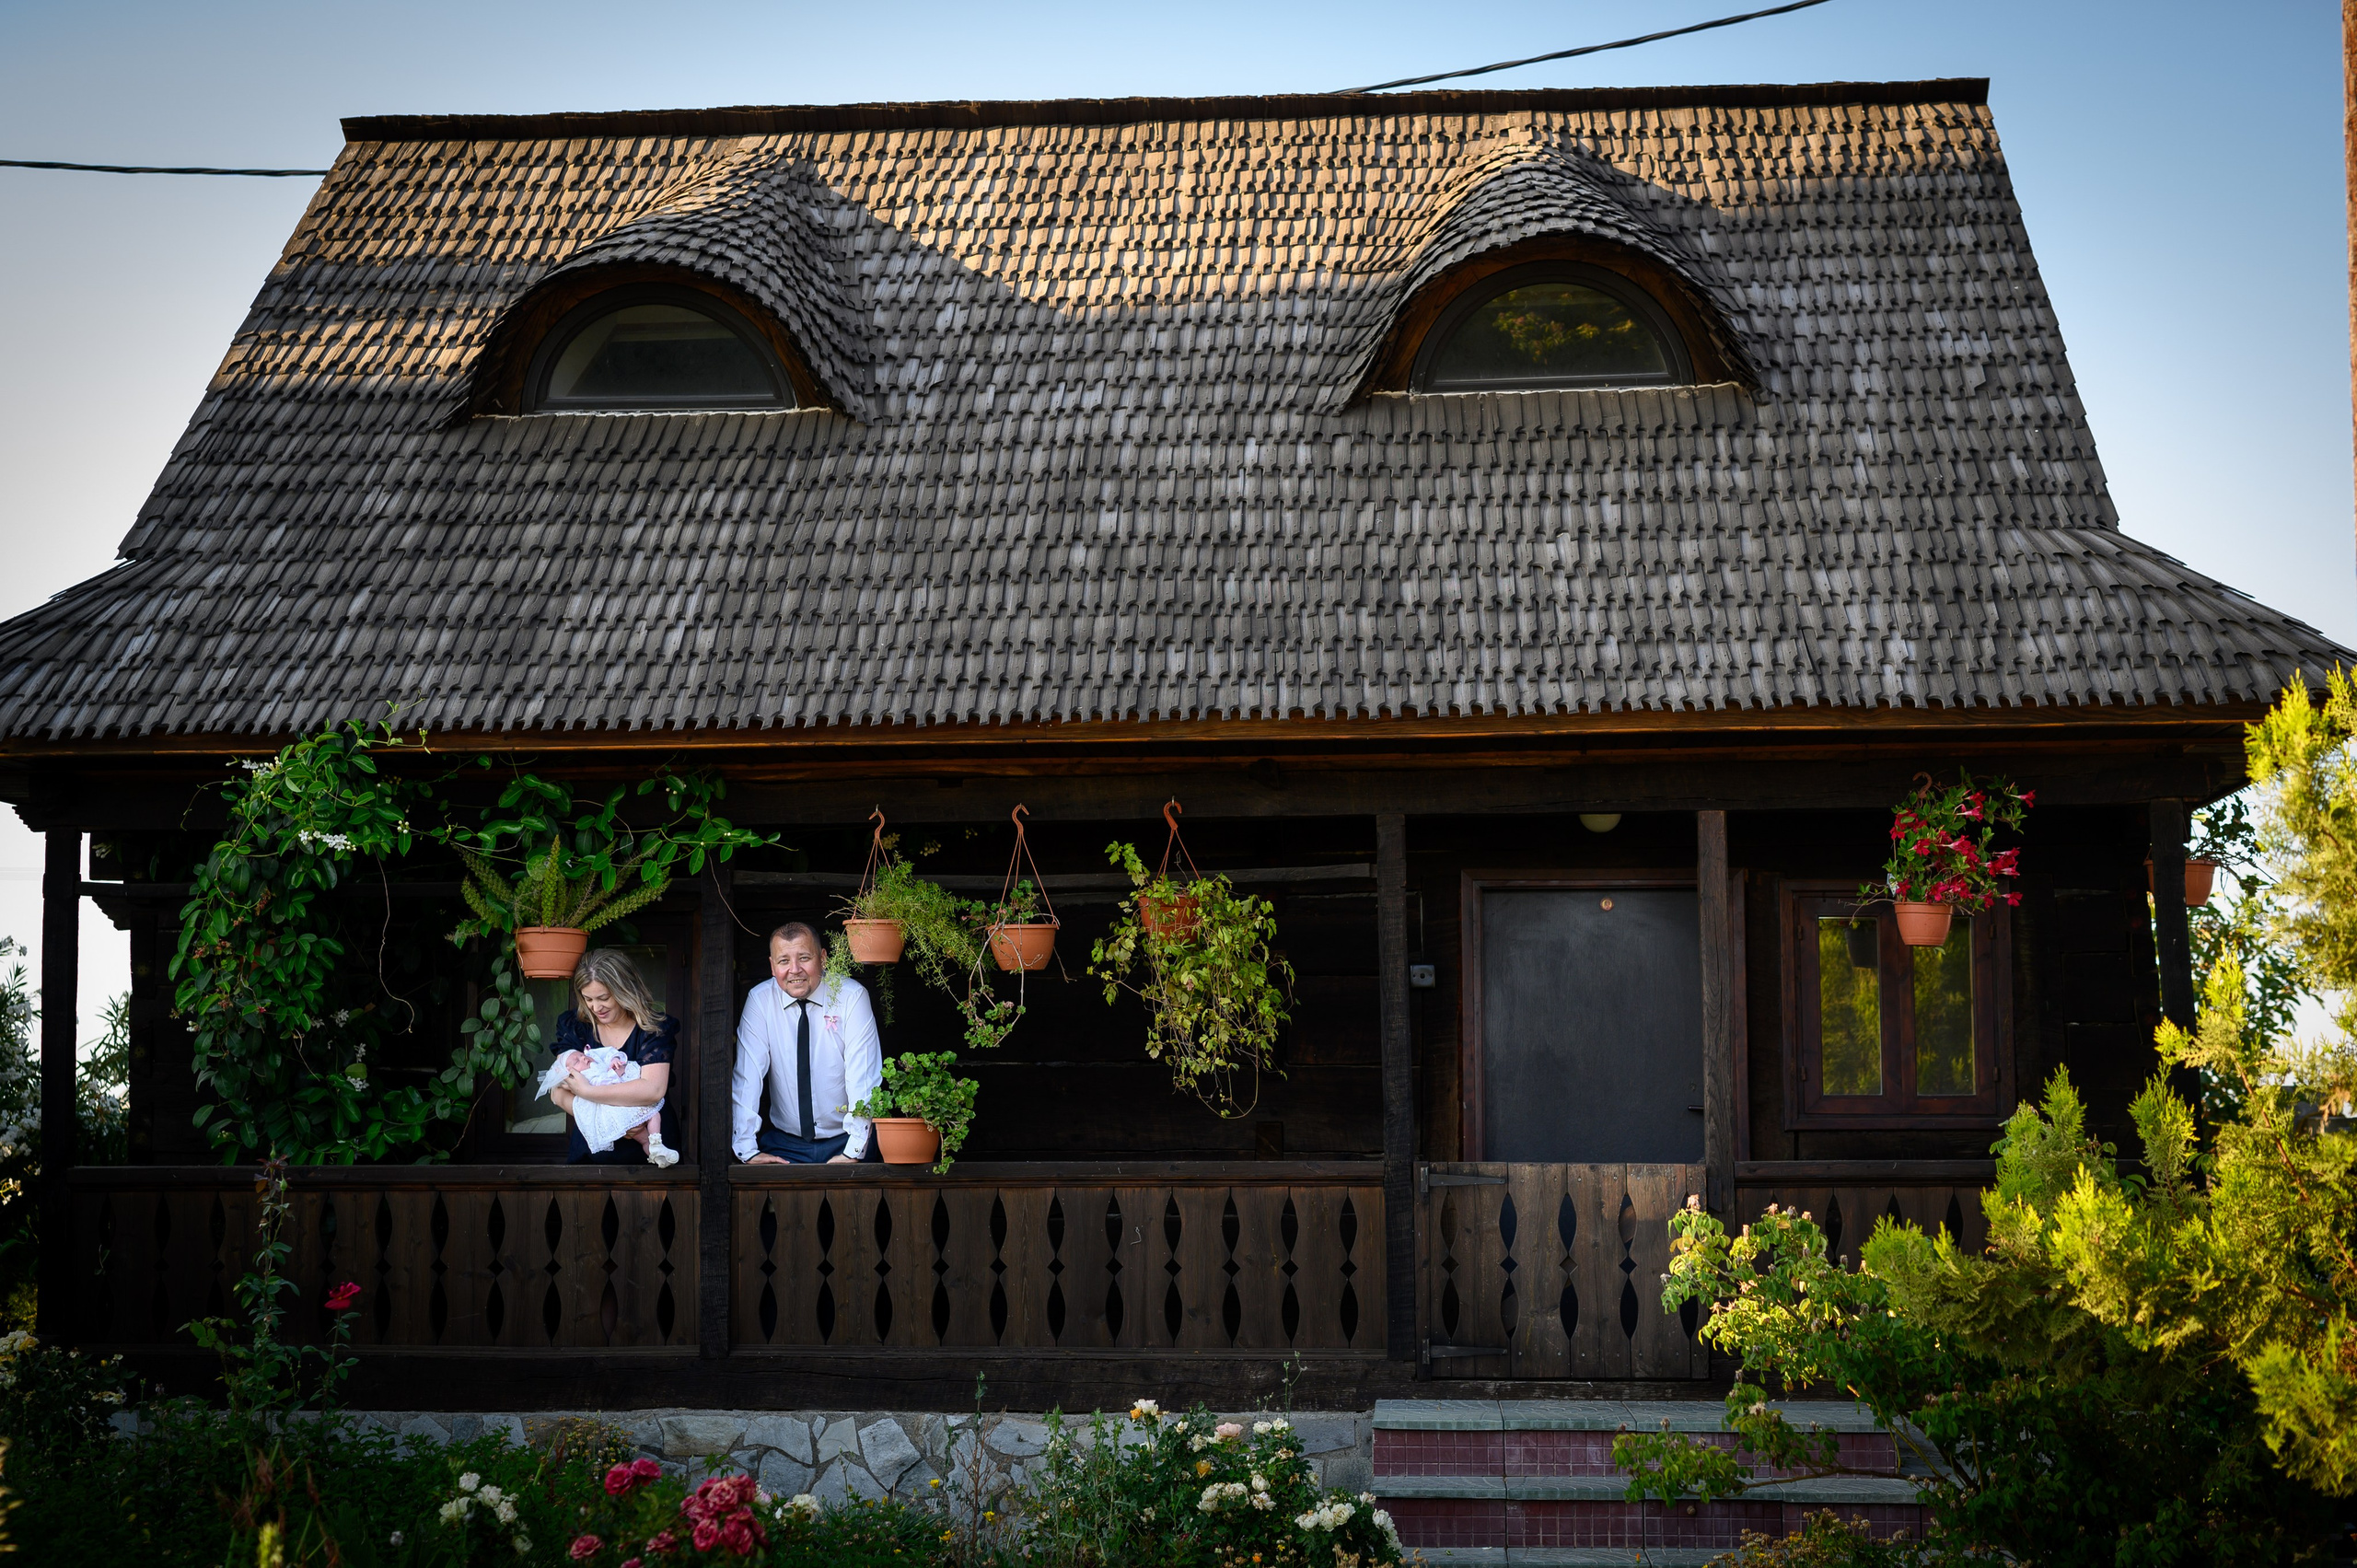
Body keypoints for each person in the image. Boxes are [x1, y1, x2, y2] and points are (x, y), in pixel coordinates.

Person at [731, 922, 882, 1164]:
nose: (794, 969)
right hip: (785, 1143)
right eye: (783, 961)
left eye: (804, 957)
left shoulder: (851, 997)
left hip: (846, 1138)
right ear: (772, 966)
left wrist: (853, 1151)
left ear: (822, 958)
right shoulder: (760, 1001)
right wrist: (747, 1150)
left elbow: (863, 1078)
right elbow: (747, 1078)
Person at [549, 948, 678, 1167]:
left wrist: (588, 1092)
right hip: (590, 1155)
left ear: (625, 990)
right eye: (588, 999)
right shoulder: (576, 1027)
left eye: (604, 998)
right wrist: (616, 1123)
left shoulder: (652, 1029)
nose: (595, 1007)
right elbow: (558, 1092)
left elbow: (652, 1090)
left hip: (651, 1153)